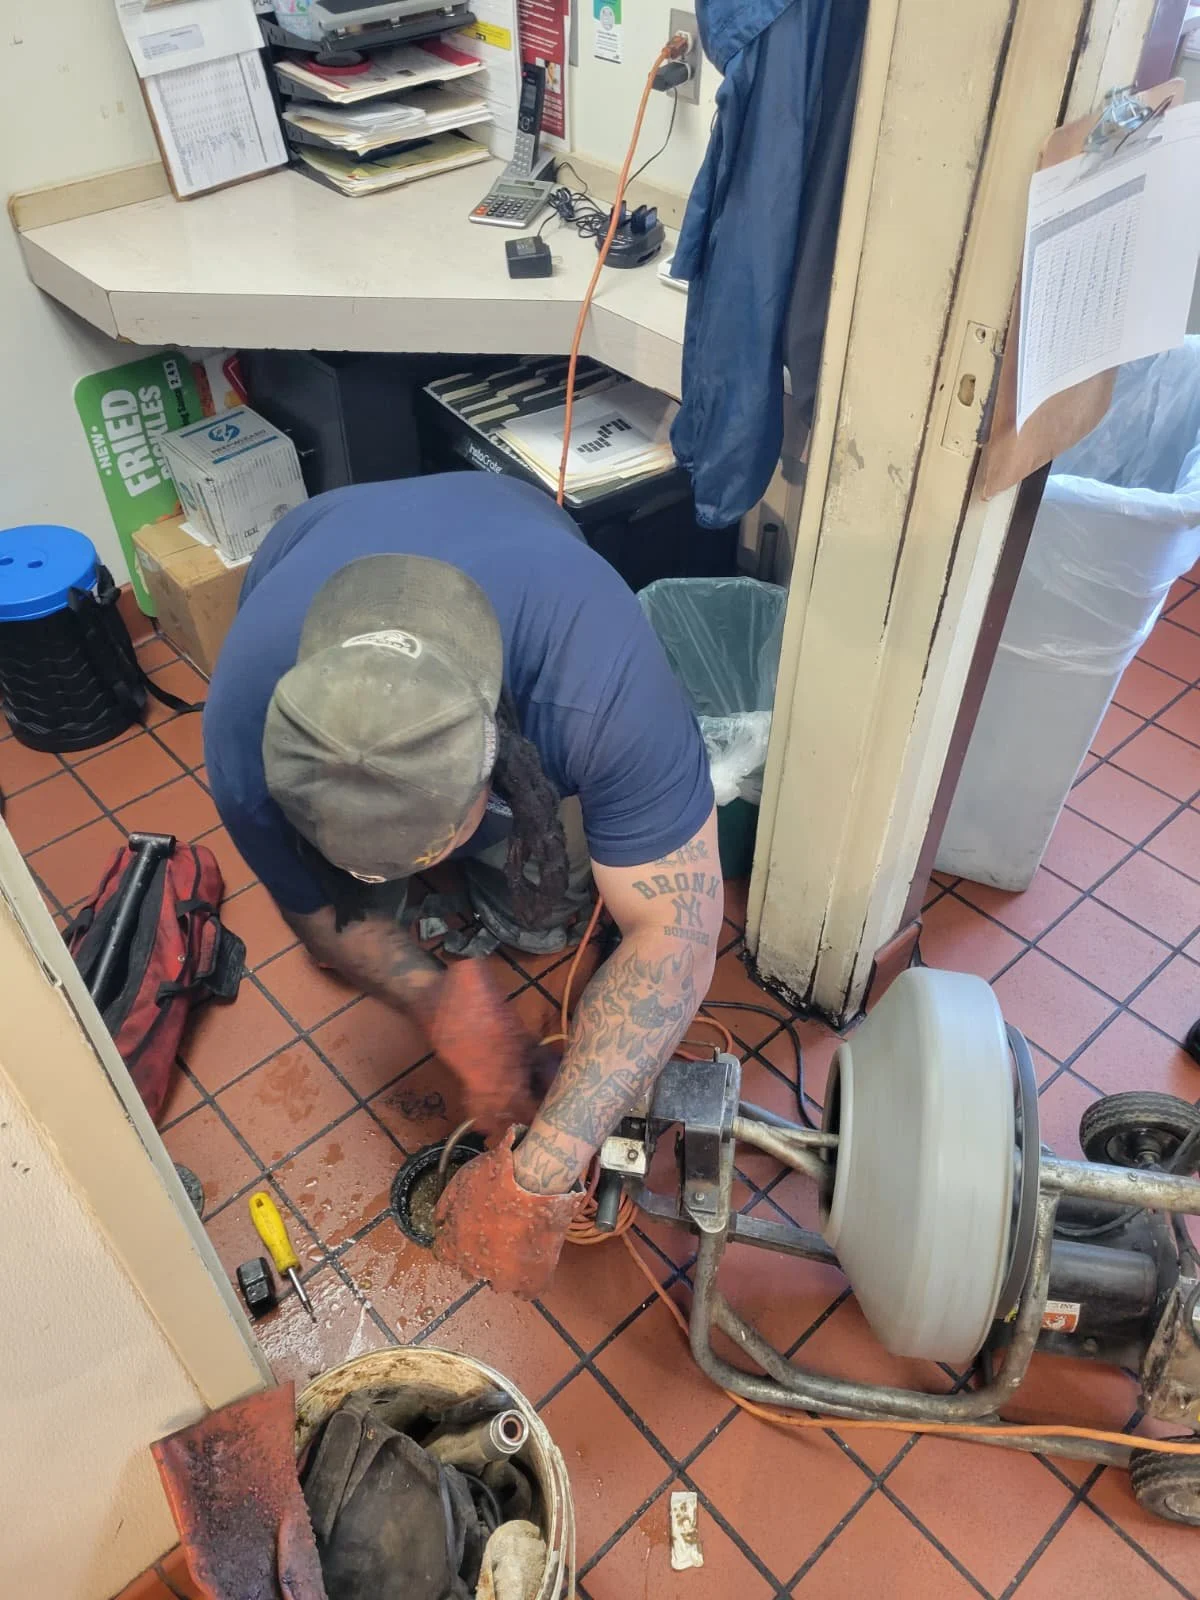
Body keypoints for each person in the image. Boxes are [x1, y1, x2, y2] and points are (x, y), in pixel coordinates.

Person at [204, 473, 723, 1298]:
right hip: (316, 541)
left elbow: (680, 931)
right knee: (354, 943)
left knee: (550, 916)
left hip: (509, 526)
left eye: (431, 844)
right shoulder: (242, 737)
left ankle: (481, 856)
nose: (406, 878)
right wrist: (439, 1000)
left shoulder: (594, 683)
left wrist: (544, 1167)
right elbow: (318, 914)